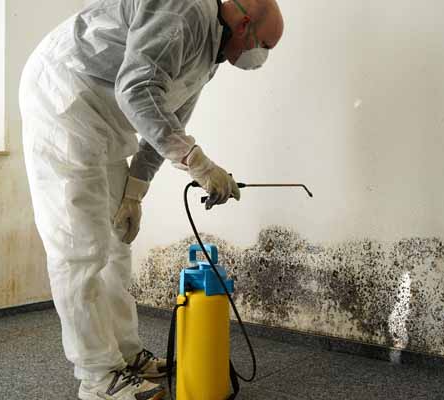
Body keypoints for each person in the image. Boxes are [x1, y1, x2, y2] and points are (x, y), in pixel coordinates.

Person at [18, 0, 284, 398]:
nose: (260, 57)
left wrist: (135, 192)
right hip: (65, 99)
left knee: (116, 243)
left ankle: (126, 355)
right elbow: (137, 89)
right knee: (80, 249)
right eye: (265, 45)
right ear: (244, 24)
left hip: (104, 120)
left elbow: (167, 120)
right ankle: (98, 377)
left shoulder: (209, 56)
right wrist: (198, 162)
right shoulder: (185, 9)